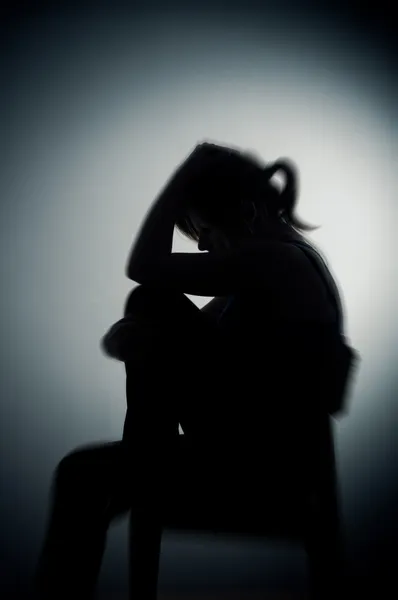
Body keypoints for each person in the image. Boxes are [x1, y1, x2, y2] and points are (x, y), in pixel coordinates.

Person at [32, 142, 349, 599]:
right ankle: (145, 462)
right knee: (81, 471)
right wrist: (131, 337)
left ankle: (144, 465)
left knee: (150, 299)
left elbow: (143, 269)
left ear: (247, 212)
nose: (200, 244)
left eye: (202, 228)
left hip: (259, 466)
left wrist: (187, 171)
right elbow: (146, 336)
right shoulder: (258, 278)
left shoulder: (280, 261)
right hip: (243, 448)